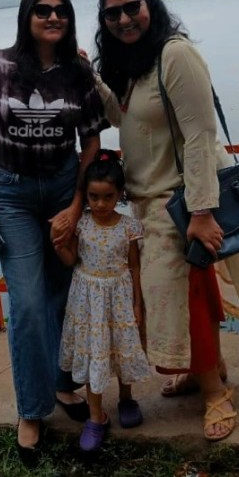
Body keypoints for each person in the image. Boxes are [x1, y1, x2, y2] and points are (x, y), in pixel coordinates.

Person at [88, 0, 239, 442]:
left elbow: (199, 136)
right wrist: (90, 77)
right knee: (188, 293)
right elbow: (127, 121)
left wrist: (203, 212)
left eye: (132, 7)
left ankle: (215, 393)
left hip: (182, 201)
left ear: (150, 3)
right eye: (113, 13)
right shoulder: (135, 65)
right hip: (151, 204)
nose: (124, 19)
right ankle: (203, 370)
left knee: (179, 299)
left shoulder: (175, 54)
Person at [0, 0, 107, 461]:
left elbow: (91, 142)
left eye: (61, 10)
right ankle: (31, 409)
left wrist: (76, 206)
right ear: (26, 17)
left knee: (65, 295)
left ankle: (66, 385)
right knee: (27, 302)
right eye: (42, 10)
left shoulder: (77, 73)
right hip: (11, 194)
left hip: (64, 189)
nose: (53, 17)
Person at [55, 149, 151, 452]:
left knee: (121, 348)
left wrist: (137, 303)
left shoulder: (128, 227)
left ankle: (126, 398)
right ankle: (96, 416)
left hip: (120, 296)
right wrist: (56, 244)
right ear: (85, 196)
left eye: (107, 197)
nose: (99, 204)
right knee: (92, 352)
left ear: (119, 194)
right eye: (93, 197)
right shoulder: (81, 224)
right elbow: (71, 259)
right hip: (87, 300)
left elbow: (134, 266)